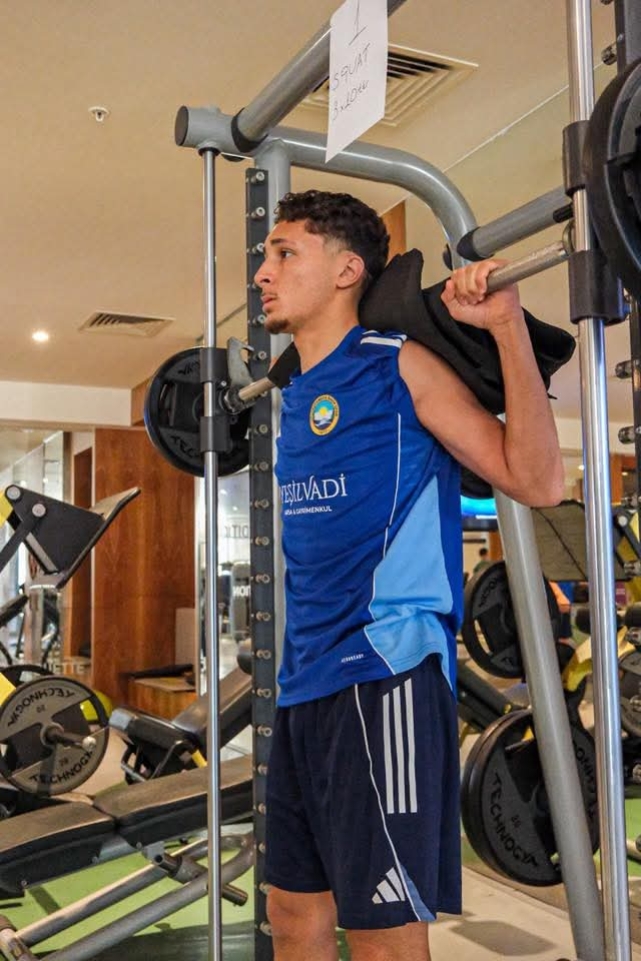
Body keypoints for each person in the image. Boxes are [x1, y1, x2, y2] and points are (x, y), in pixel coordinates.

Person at [253, 190, 564, 961]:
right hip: (302, 681)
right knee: (290, 909)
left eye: (283, 253)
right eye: (265, 255)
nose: (262, 272)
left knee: (383, 934)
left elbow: (535, 480)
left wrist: (506, 329)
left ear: (345, 270)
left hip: (384, 670)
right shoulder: (296, 393)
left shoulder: (397, 366)